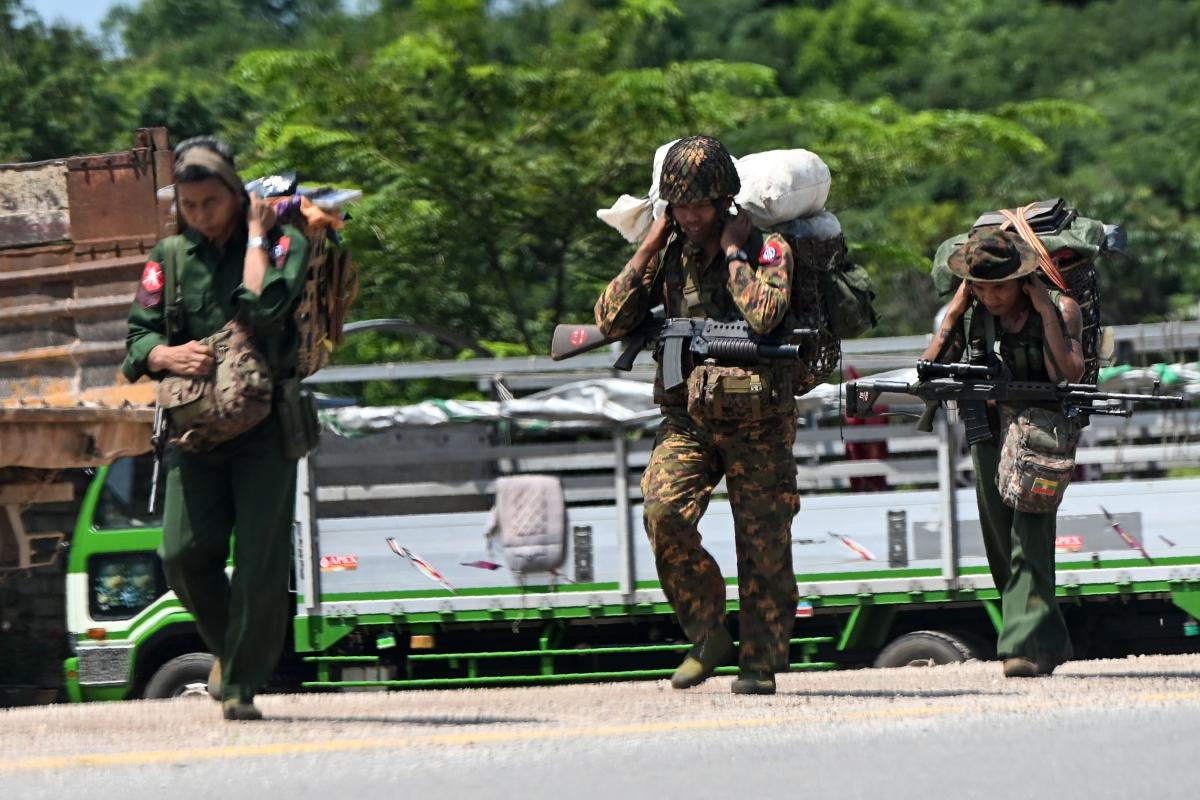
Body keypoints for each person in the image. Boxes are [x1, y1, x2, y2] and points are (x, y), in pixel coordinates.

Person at [594, 135, 800, 695]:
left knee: (762, 541)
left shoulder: (768, 248)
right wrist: (648, 246)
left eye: (701, 206)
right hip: (688, 417)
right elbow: (610, 319)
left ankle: (759, 661)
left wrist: (735, 254)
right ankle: (708, 634)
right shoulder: (667, 252)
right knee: (663, 513)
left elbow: (763, 315)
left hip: (758, 419)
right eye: (679, 206)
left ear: (726, 201)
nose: (690, 216)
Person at [123, 136, 310, 719]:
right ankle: (235, 648)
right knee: (182, 553)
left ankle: (239, 686)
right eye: (190, 204)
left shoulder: (285, 243)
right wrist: (166, 356)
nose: (200, 214)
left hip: (265, 428)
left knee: (259, 560)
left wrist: (255, 235)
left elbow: (264, 307)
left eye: (211, 201)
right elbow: (138, 340)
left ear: (237, 193)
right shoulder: (169, 257)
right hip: (197, 431)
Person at [920, 228, 1084, 677]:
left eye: (1000, 286)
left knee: (1028, 538)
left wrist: (1046, 314)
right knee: (999, 544)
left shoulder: (1059, 309)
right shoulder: (972, 313)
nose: (990, 296)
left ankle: (1021, 647)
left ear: (1022, 280)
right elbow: (928, 372)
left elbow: (1068, 370)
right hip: (988, 433)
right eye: (980, 286)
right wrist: (954, 311)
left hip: (1039, 436)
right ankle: (1048, 643)